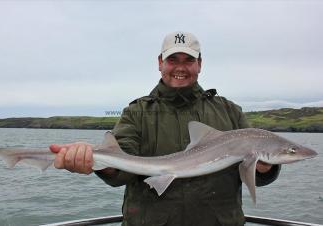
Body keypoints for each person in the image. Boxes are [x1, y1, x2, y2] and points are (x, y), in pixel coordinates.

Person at [50, 31, 281, 226]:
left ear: (199, 64)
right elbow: (120, 166)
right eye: (173, 60)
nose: (180, 67)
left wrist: (265, 167)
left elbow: (257, 174)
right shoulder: (137, 112)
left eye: (188, 60)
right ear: (160, 62)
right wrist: (96, 162)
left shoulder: (230, 111)